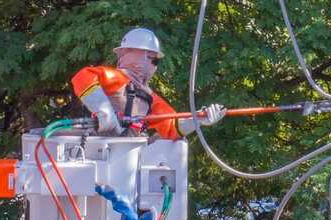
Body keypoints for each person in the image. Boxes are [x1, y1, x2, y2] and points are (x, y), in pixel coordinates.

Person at [71, 28, 225, 139]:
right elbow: (82, 77)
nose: (154, 64)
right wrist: (103, 110)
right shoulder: (116, 78)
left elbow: (171, 126)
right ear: (133, 53)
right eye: (152, 58)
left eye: (155, 60)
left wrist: (198, 119)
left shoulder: (150, 98)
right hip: (94, 148)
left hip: (127, 155)